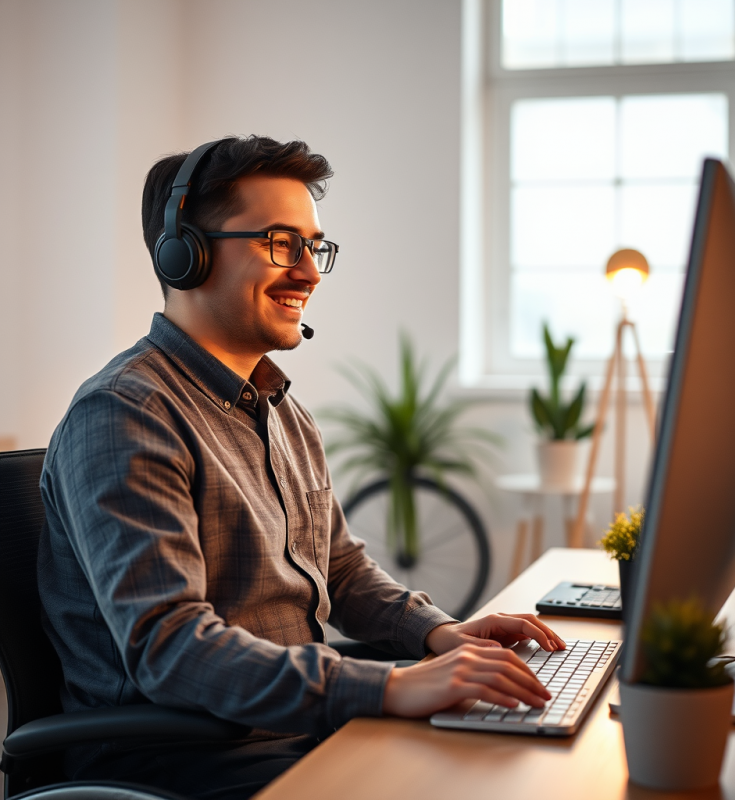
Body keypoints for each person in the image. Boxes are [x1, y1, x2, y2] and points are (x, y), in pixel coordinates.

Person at [38, 135, 565, 800]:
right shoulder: (125, 415)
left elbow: (338, 567)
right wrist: (392, 685)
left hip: (293, 733)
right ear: (186, 254)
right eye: (281, 244)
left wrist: (440, 634)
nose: (310, 272)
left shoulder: (279, 407)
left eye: (314, 247)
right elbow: (169, 648)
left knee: (518, 765)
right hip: (186, 759)